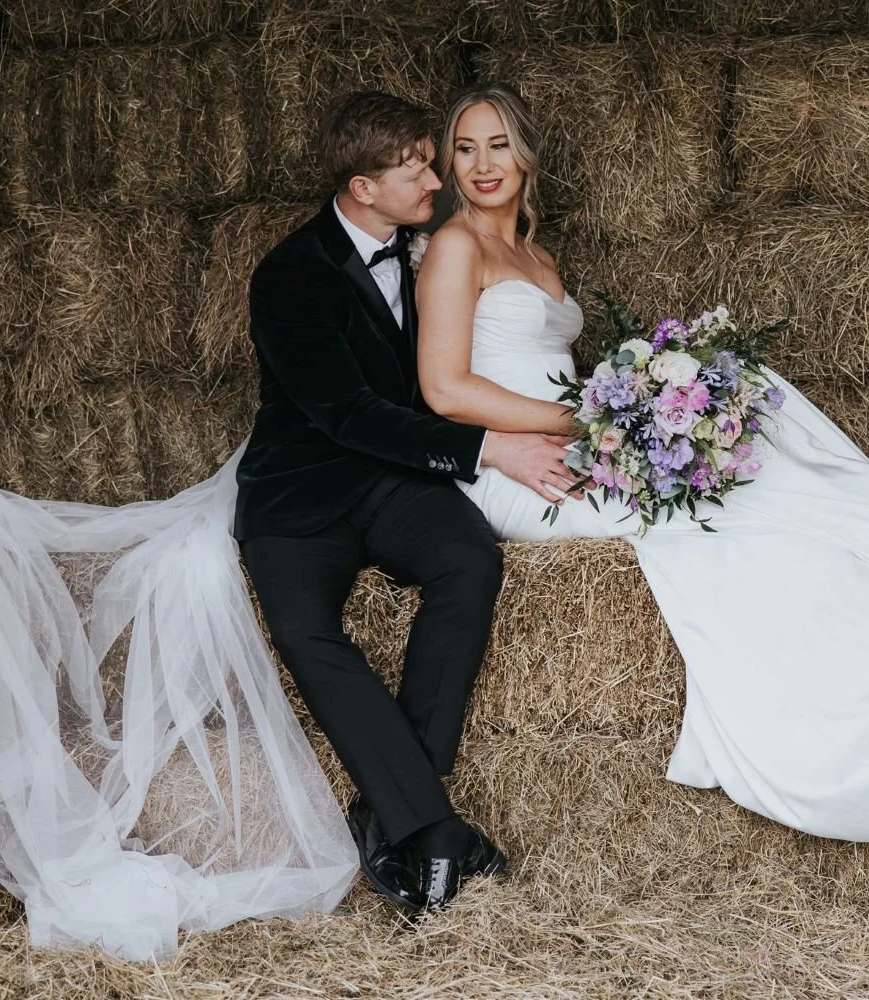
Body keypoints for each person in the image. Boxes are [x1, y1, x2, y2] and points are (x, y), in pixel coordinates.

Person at [413, 83, 869, 941]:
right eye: (465, 149)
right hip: (521, 468)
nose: (481, 166)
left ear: (527, 156)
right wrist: (604, 421)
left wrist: (631, 415)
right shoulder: (453, 249)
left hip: (573, 440)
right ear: (448, 162)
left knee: (753, 415)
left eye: (498, 146)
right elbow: (444, 389)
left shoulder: (538, 259)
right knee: (747, 510)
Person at [234, 90, 578, 913]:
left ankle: (395, 817)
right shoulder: (291, 274)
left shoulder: (431, 246)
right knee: (306, 634)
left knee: (468, 558)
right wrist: (490, 446)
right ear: (361, 189)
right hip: (303, 489)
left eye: (433, 157)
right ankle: (436, 829)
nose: (437, 177)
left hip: (394, 483)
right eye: (416, 166)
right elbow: (347, 415)